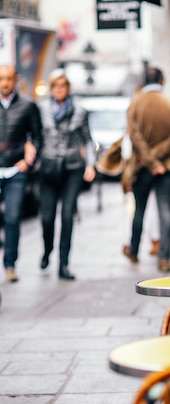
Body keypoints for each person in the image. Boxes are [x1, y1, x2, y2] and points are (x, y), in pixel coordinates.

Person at [122, 66, 170, 272]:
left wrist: (150, 160)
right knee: (164, 209)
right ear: (162, 81)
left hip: (142, 166)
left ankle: (133, 250)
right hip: (168, 166)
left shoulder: (135, 103)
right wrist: (159, 158)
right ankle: (164, 258)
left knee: (139, 209)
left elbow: (134, 135)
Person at [37, 69, 96, 280]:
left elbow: (88, 140)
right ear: (51, 88)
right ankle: (47, 250)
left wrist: (90, 165)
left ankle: (63, 264)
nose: (59, 90)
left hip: (72, 168)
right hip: (49, 168)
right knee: (47, 218)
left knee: (67, 216)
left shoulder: (80, 111)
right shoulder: (42, 109)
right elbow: (35, 136)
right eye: (55, 86)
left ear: (68, 88)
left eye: (63, 86)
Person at [0, 64, 42, 283]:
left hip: (16, 171)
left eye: (8, 79)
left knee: (12, 218)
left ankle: (10, 264)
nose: (4, 83)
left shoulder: (27, 106)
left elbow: (37, 137)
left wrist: (28, 161)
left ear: (15, 79)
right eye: (1, 79)